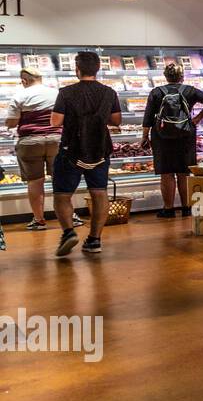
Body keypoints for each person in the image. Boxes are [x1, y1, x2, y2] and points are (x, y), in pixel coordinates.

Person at [49, 51, 121, 257]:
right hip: (99, 149)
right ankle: (94, 240)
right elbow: (116, 120)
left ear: (77, 69)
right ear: (98, 69)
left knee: (62, 195)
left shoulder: (66, 92)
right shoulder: (109, 92)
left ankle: (69, 232)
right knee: (99, 193)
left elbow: (55, 122)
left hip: (71, 150)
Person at [142, 63, 203, 218]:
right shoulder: (190, 91)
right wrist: (198, 118)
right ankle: (186, 208)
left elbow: (148, 116)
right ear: (182, 77)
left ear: (165, 76)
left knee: (166, 173)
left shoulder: (156, 92)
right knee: (184, 172)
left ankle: (168, 209)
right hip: (185, 134)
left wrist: (145, 136)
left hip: (162, 136)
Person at [6, 69, 62, 230]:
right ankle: (69, 216)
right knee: (60, 179)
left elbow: (11, 123)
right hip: (56, 140)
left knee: (35, 181)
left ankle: (39, 220)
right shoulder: (56, 93)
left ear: (24, 81)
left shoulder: (19, 96)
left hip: (30, 142)